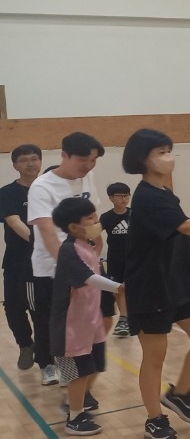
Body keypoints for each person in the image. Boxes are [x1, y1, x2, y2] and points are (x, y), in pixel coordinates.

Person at [121, 129, 190, 439]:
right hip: (151, 287)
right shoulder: (146, 196)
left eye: (170, 151)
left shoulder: (165, 193)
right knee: (155, 355)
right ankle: (154, 418)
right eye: (161, 152)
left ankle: (179, 393)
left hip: (179, 282)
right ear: (143, 159)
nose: (169, 158)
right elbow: (186, 226)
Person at [27, 132, 103, 387]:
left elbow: (92, 216)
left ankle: (79, 379)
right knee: (56, 329)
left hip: (85, 266)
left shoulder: (88, 177)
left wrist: (97, 246)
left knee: (89, 323)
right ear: (64, 155)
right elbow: (47, 231)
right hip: (53, 269)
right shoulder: (42, 186)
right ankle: (58, 374)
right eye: (83, 160)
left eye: (93, 160)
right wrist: (69, 270)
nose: (88, 165)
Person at [50, 197, 124, 435]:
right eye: (90, 218)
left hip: (90, 321)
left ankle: (78, 401)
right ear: (73, 227)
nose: (96, 221)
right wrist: (119, 288)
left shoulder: (88, 245)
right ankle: (74, 417)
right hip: (71, 326)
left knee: (95, 366)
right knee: (79, 372)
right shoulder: (69, 250)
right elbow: (88, 278)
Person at [1, 144, 41, 370]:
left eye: (34, 158)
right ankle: (25, 345)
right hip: (17, 260)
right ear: (15, 165)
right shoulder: (7, 193)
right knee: (14, 306)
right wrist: (42, 243)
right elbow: (15, 222)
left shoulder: (51, 190)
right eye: (24, 160)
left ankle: (46, 353)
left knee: (41, 308)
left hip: (45, 262)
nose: (30, 163)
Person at [100, 183, 131, 337]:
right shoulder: (106, 217)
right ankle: (124, 319)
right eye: (120, 196)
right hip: (115, 259)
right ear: (111, 198)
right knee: (118, 289)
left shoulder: (135, 214)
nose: (124, 199)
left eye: (126, 195)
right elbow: (94, 234)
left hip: (134, 258)